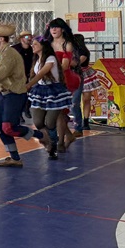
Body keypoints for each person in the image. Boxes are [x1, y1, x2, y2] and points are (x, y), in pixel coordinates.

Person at [0, 24, 45, 168]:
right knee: (0, 127)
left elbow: (0, 74)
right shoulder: (3, 52)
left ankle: (42, 136)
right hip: (6, 93)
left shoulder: (8, 54)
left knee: (8, 127)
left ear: (1, 39)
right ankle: (15, 157)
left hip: (15, 94)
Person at [26, 35, 72, 160]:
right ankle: (48, 140)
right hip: (40, 91)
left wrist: (29, 85)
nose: (32, 46)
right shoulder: (37, 60)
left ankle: (53, 146)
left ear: (43, 46)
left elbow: (42, 73)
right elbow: (36, 74)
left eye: (35, 44)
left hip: (53, 92)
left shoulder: (50, 58)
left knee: (50, 122)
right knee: (38, 122)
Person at [48, 17, 80, 150]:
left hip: (64, 80)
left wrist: (49, 72)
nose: (54, 29)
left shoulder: (67, 44)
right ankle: (67, 136)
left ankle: (61, 141)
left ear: (62, 29)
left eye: (56, 27)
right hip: (49, 79)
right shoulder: (47, 43)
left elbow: (65, 65)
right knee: (55, 112)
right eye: (52, 27)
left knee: (59, 111)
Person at [73, 33, 96, 132]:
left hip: (84, 74)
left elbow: (77, 63)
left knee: (86, 99)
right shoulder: (72, 51)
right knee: (78, 100)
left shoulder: (84, 52)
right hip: (76, 74)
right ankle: (80, 120)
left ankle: (85, 121)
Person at [11, 31, 35, 120]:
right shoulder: (15, 49)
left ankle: (26, 108)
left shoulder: (32, 49)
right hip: (18, 75)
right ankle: (19, 113)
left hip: (29, 74)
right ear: (21, 39)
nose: (29, 39)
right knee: (19, 94)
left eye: (30, 37)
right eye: (27, 37)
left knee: (30, 93)